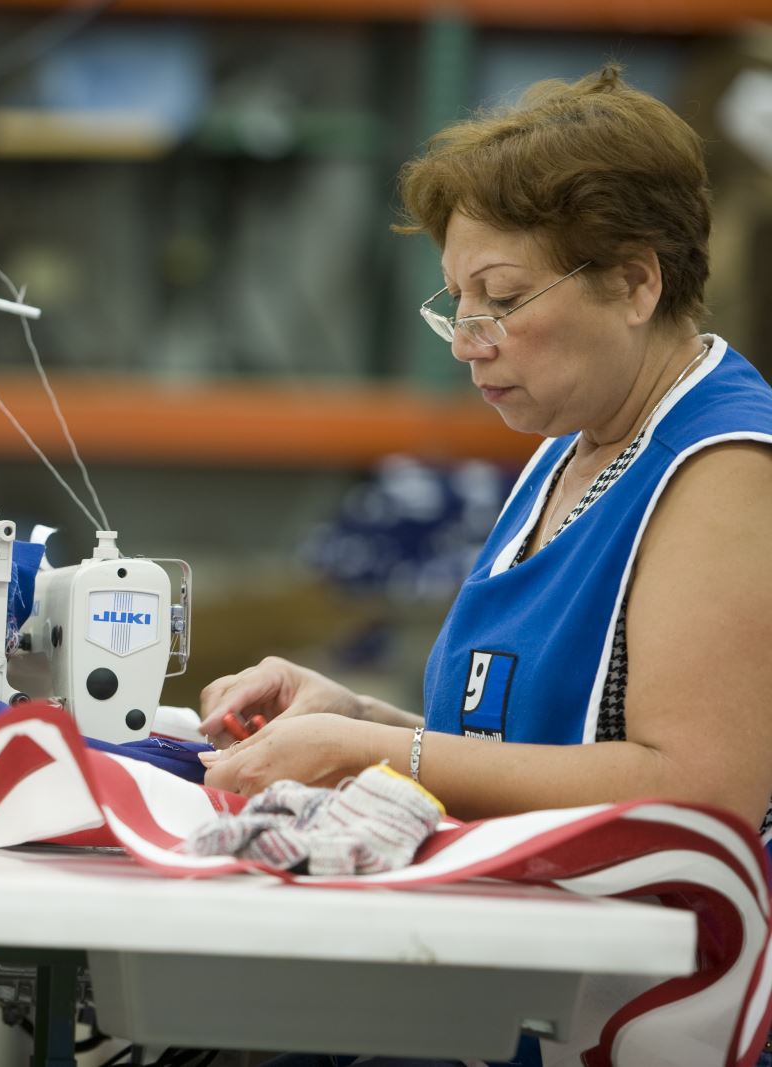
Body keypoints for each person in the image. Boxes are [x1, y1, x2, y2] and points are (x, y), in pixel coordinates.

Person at [196, 62, 772, 1067]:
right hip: (532, 969)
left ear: (635, 281)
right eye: (454, 301)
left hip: (654, 1009)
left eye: (499, 300)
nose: (466, 341)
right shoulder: (575, 443)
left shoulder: (721, 466)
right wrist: (357, 716)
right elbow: (559, 743)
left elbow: (696, 788)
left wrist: (364, 756)